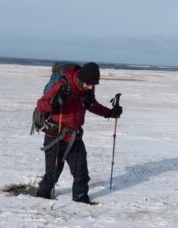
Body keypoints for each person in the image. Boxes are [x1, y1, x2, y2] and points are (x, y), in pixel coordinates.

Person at [34, 62, 122, 203]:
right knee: (52, 175)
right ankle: (41, 199)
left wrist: (109, 113)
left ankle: (81, 201)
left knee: (81, 173)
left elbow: (91, 105)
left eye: (94, 85)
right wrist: (55, 102)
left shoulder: (87, 89)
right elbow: (41, 105)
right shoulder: (63, 85)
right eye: (89, 84)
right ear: (81, 79)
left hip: (75, 137)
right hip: (55, 137)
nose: (91, 87)